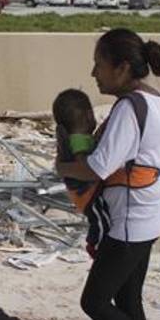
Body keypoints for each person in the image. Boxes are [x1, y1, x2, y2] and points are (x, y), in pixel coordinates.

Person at [56, 28, 160, 320]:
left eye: (99, 65)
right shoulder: (156, 100)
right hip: (150, 216)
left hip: (130, 223)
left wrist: (61, 167)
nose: (94, 73)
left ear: (122, 67)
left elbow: (96, 168)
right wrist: (158, 199)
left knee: (94, 302)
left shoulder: (129, 109)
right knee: (129, 299)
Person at [52, 88, 110, 257]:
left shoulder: (79, 137)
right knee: (100, 220)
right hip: (89, 194)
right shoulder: (78, 140)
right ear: (88, 116)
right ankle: (96, 244)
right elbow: (83, 165)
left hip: (88, 193)